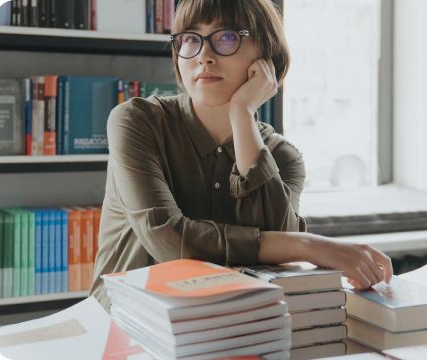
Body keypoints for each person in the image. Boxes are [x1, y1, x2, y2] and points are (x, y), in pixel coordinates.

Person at [90, 0, 392, 309]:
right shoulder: (137, 121)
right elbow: (167, 238)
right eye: (191, 39)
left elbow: (280, 253)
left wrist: (242, 113)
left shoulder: (284, 157)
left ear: (266, 56)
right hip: (127, 324)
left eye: (226, 37)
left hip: (228, 324)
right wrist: (307, 245)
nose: (204, 56)